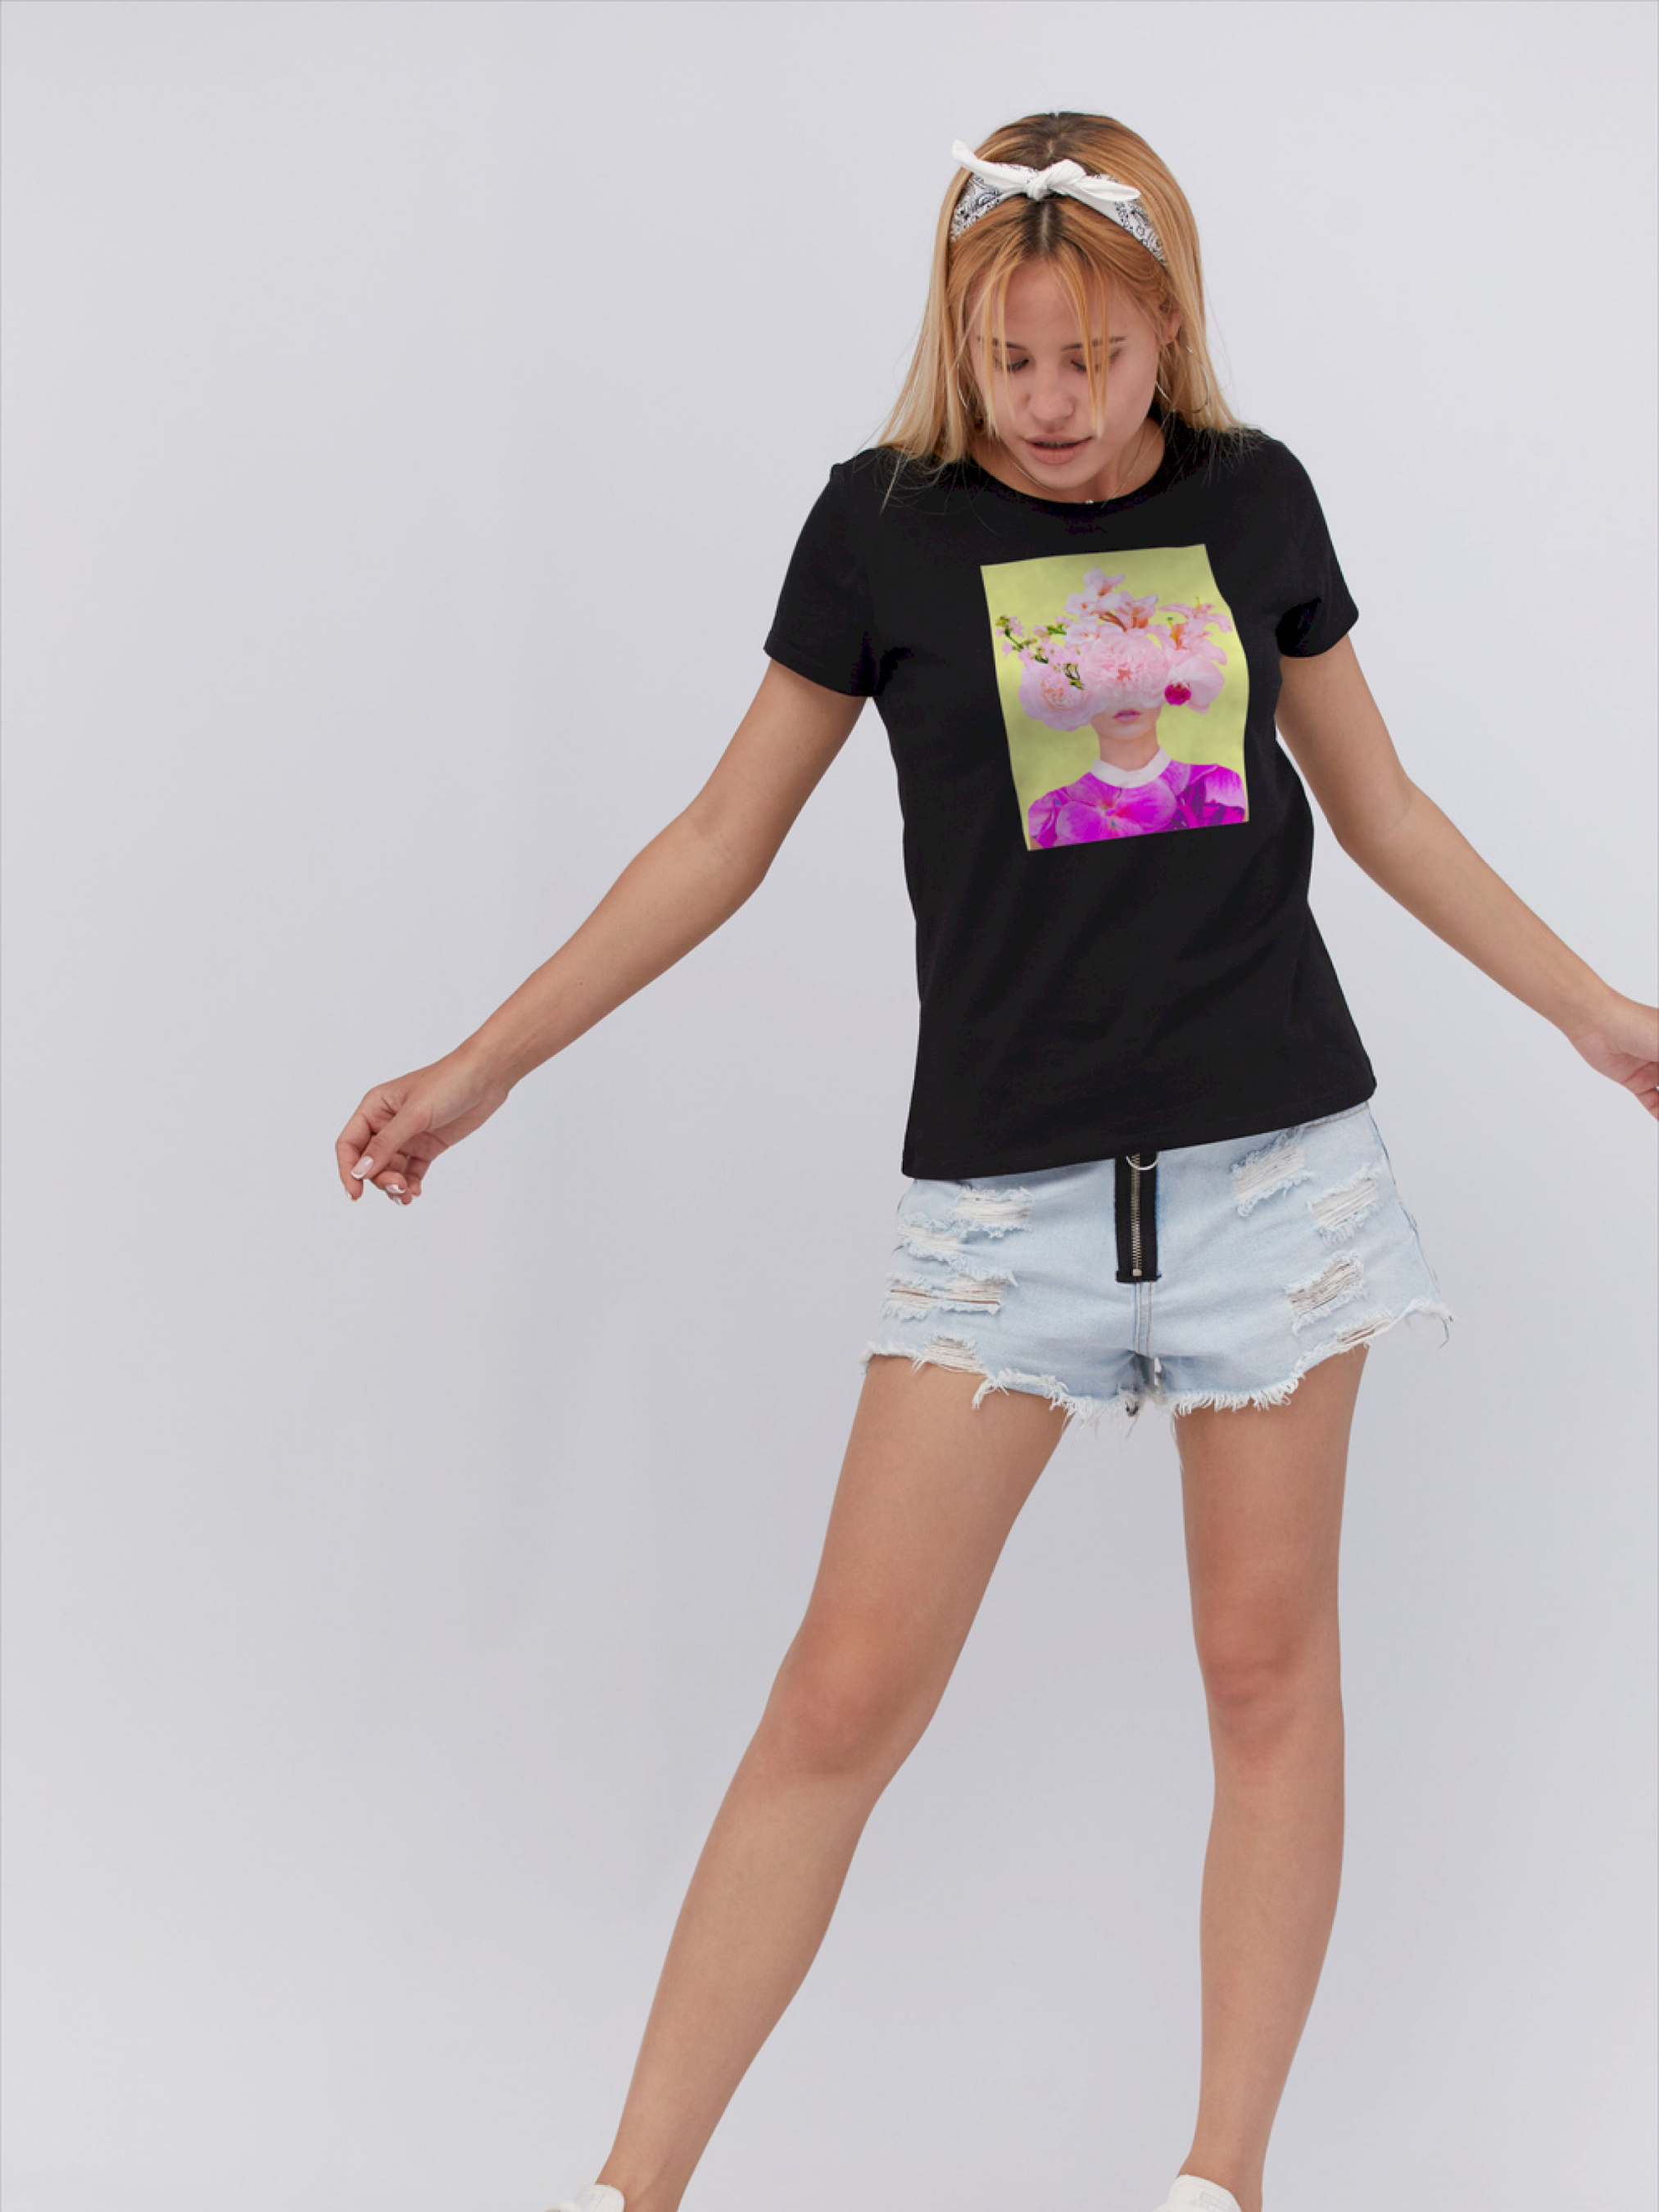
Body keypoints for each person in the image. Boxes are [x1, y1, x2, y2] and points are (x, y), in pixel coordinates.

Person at [333, 112, 1658, 2212]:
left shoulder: (1252, 497)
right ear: (957, 339)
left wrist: (1594, 1014)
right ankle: (626, 2191)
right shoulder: (878, 529)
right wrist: (488, 1062)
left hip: (1276, 1185)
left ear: (1166, 332)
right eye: (1010, 356)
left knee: (1263, 1678)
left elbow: (1382, 810)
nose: (1050, 400)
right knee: (837, 1696)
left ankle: (1215, 2181)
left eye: (1092, 357)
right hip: (999, 1216)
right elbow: (718, 837)